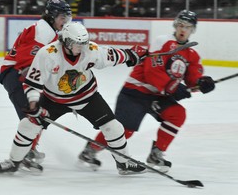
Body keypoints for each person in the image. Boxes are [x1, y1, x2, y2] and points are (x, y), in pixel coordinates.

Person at [0, 21, 149, 175]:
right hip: (53, 99)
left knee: (114, 128)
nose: (81, 48)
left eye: (83, 43)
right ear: (66, 42)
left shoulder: (90, 49)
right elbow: (33, 83)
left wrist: (132, 54)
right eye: (77, 44)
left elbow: (111, 56)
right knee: (27, 125)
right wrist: (33, 103)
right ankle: (14, 162)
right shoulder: (47, 54)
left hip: (86, 98)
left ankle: (124, 163)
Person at [78, 10, 216, 173]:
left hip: (159, 96)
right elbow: (152, 72)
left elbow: (192, 78)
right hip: (136, 93)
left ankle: (156, 153)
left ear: (192, 30)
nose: (183, 29)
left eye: (187, 27)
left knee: (177, 114)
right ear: (175, 25)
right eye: (180, 25)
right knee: (125, 131)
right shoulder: (162, 42)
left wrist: (201, 83)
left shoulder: (191, 54)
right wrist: (173, 88)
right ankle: (91, 150)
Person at [0, 0, 72, 168]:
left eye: (67, 17)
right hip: (15, 74)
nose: (65, 21)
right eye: (62, 17)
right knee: (32, 116)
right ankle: (25, 153)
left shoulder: (49, 30)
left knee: (36, 115)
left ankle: (28, 150)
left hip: (21, 74)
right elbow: (26, 64)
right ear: (52, 16)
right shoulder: (42, 32)